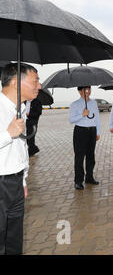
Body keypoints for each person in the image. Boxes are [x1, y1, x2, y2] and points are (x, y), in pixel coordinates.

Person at [0, 62, 41, 254]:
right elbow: (11, 138)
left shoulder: (20, 109)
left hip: (15, 184)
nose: (39, 86)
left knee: (14, 239)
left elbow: (21, 147)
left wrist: (23, 179)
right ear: (16, 83)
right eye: (35, 81)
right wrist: (8, 134)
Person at [69, 86, 101, 190]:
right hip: (80, 132)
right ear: (80, 91)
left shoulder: (94, 103)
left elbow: (97, 118)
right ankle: (78, 181)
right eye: (85, 89)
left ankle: (89, 177)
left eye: (89, 89)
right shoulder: (74, 104)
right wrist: (82, 115)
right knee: (79, 157)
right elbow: (71, 120)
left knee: (91, 156)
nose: (87, 91)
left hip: (92, 131)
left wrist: (98, 132)